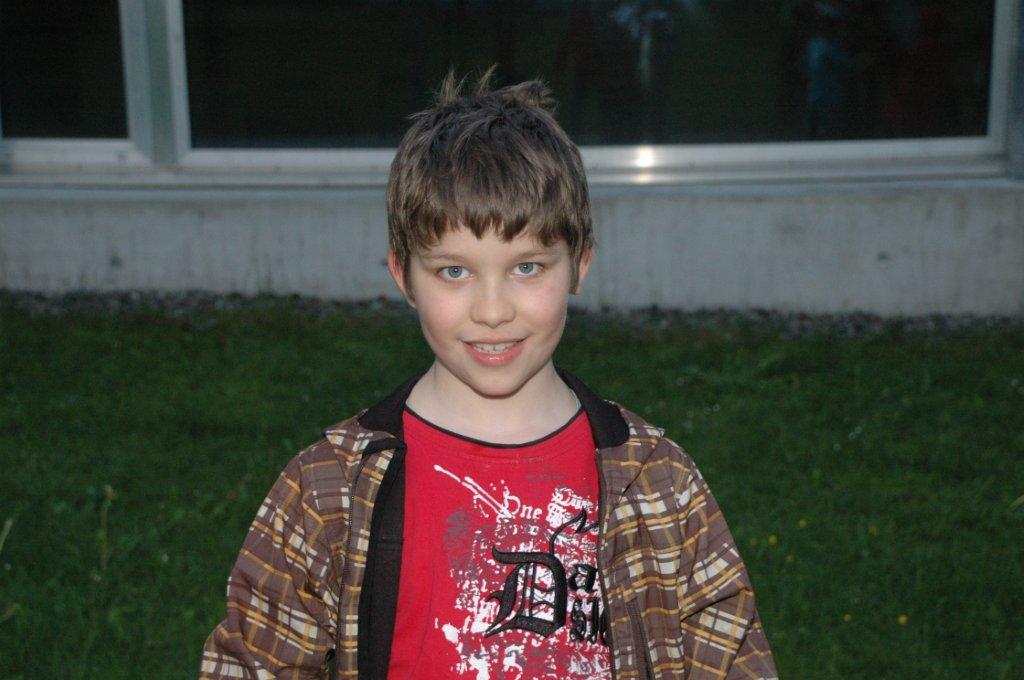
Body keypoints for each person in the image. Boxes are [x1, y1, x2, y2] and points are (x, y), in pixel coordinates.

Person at [200, 65, 777, 680]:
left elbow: (732, 658)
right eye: (454, 271)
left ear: (580, 264)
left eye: (527, 267)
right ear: (403, 276)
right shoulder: (328, 492)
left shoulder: (659, 483)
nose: (493, 311)